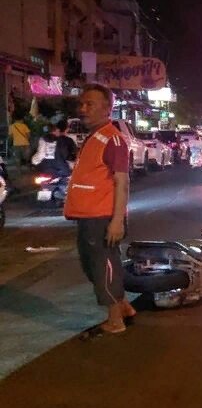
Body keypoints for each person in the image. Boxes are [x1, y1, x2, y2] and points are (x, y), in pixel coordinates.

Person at [64, 83, 135, 336]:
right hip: (88, 216)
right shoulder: (94, 137)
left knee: (104, 266)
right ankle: (123, 307)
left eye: (89, 104)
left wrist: (117, 221)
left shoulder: (113, 139)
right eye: (81, 104)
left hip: (102, 217)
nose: (83, 109)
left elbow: (122, 182)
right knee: (90, 264)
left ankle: (115, 321)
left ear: (107, 108)